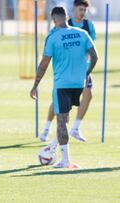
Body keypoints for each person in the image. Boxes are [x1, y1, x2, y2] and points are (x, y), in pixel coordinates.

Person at [30, 6, 98, 168]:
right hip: (79, 84)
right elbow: (95, 56)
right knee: (65, 119)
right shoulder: (82, 34)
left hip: (62, 85)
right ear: (67, 17)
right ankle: (54, 147)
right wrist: (86, 73)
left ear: (54, 20)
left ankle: (65, 160)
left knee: (61, 120)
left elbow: (44, 64)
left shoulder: (53, 37)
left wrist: (35, 85)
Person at [40, 0, 96, 143]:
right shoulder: (63, 25)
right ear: (73, 10)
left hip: (83, 70)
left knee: (88, 95)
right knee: (58, 104)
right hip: (65, 72)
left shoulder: (88, 26)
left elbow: (91, 50)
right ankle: (47, 128)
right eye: (80, 10)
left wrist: (87, 70)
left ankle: (75, 128)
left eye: (85, 10)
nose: (82, 13)